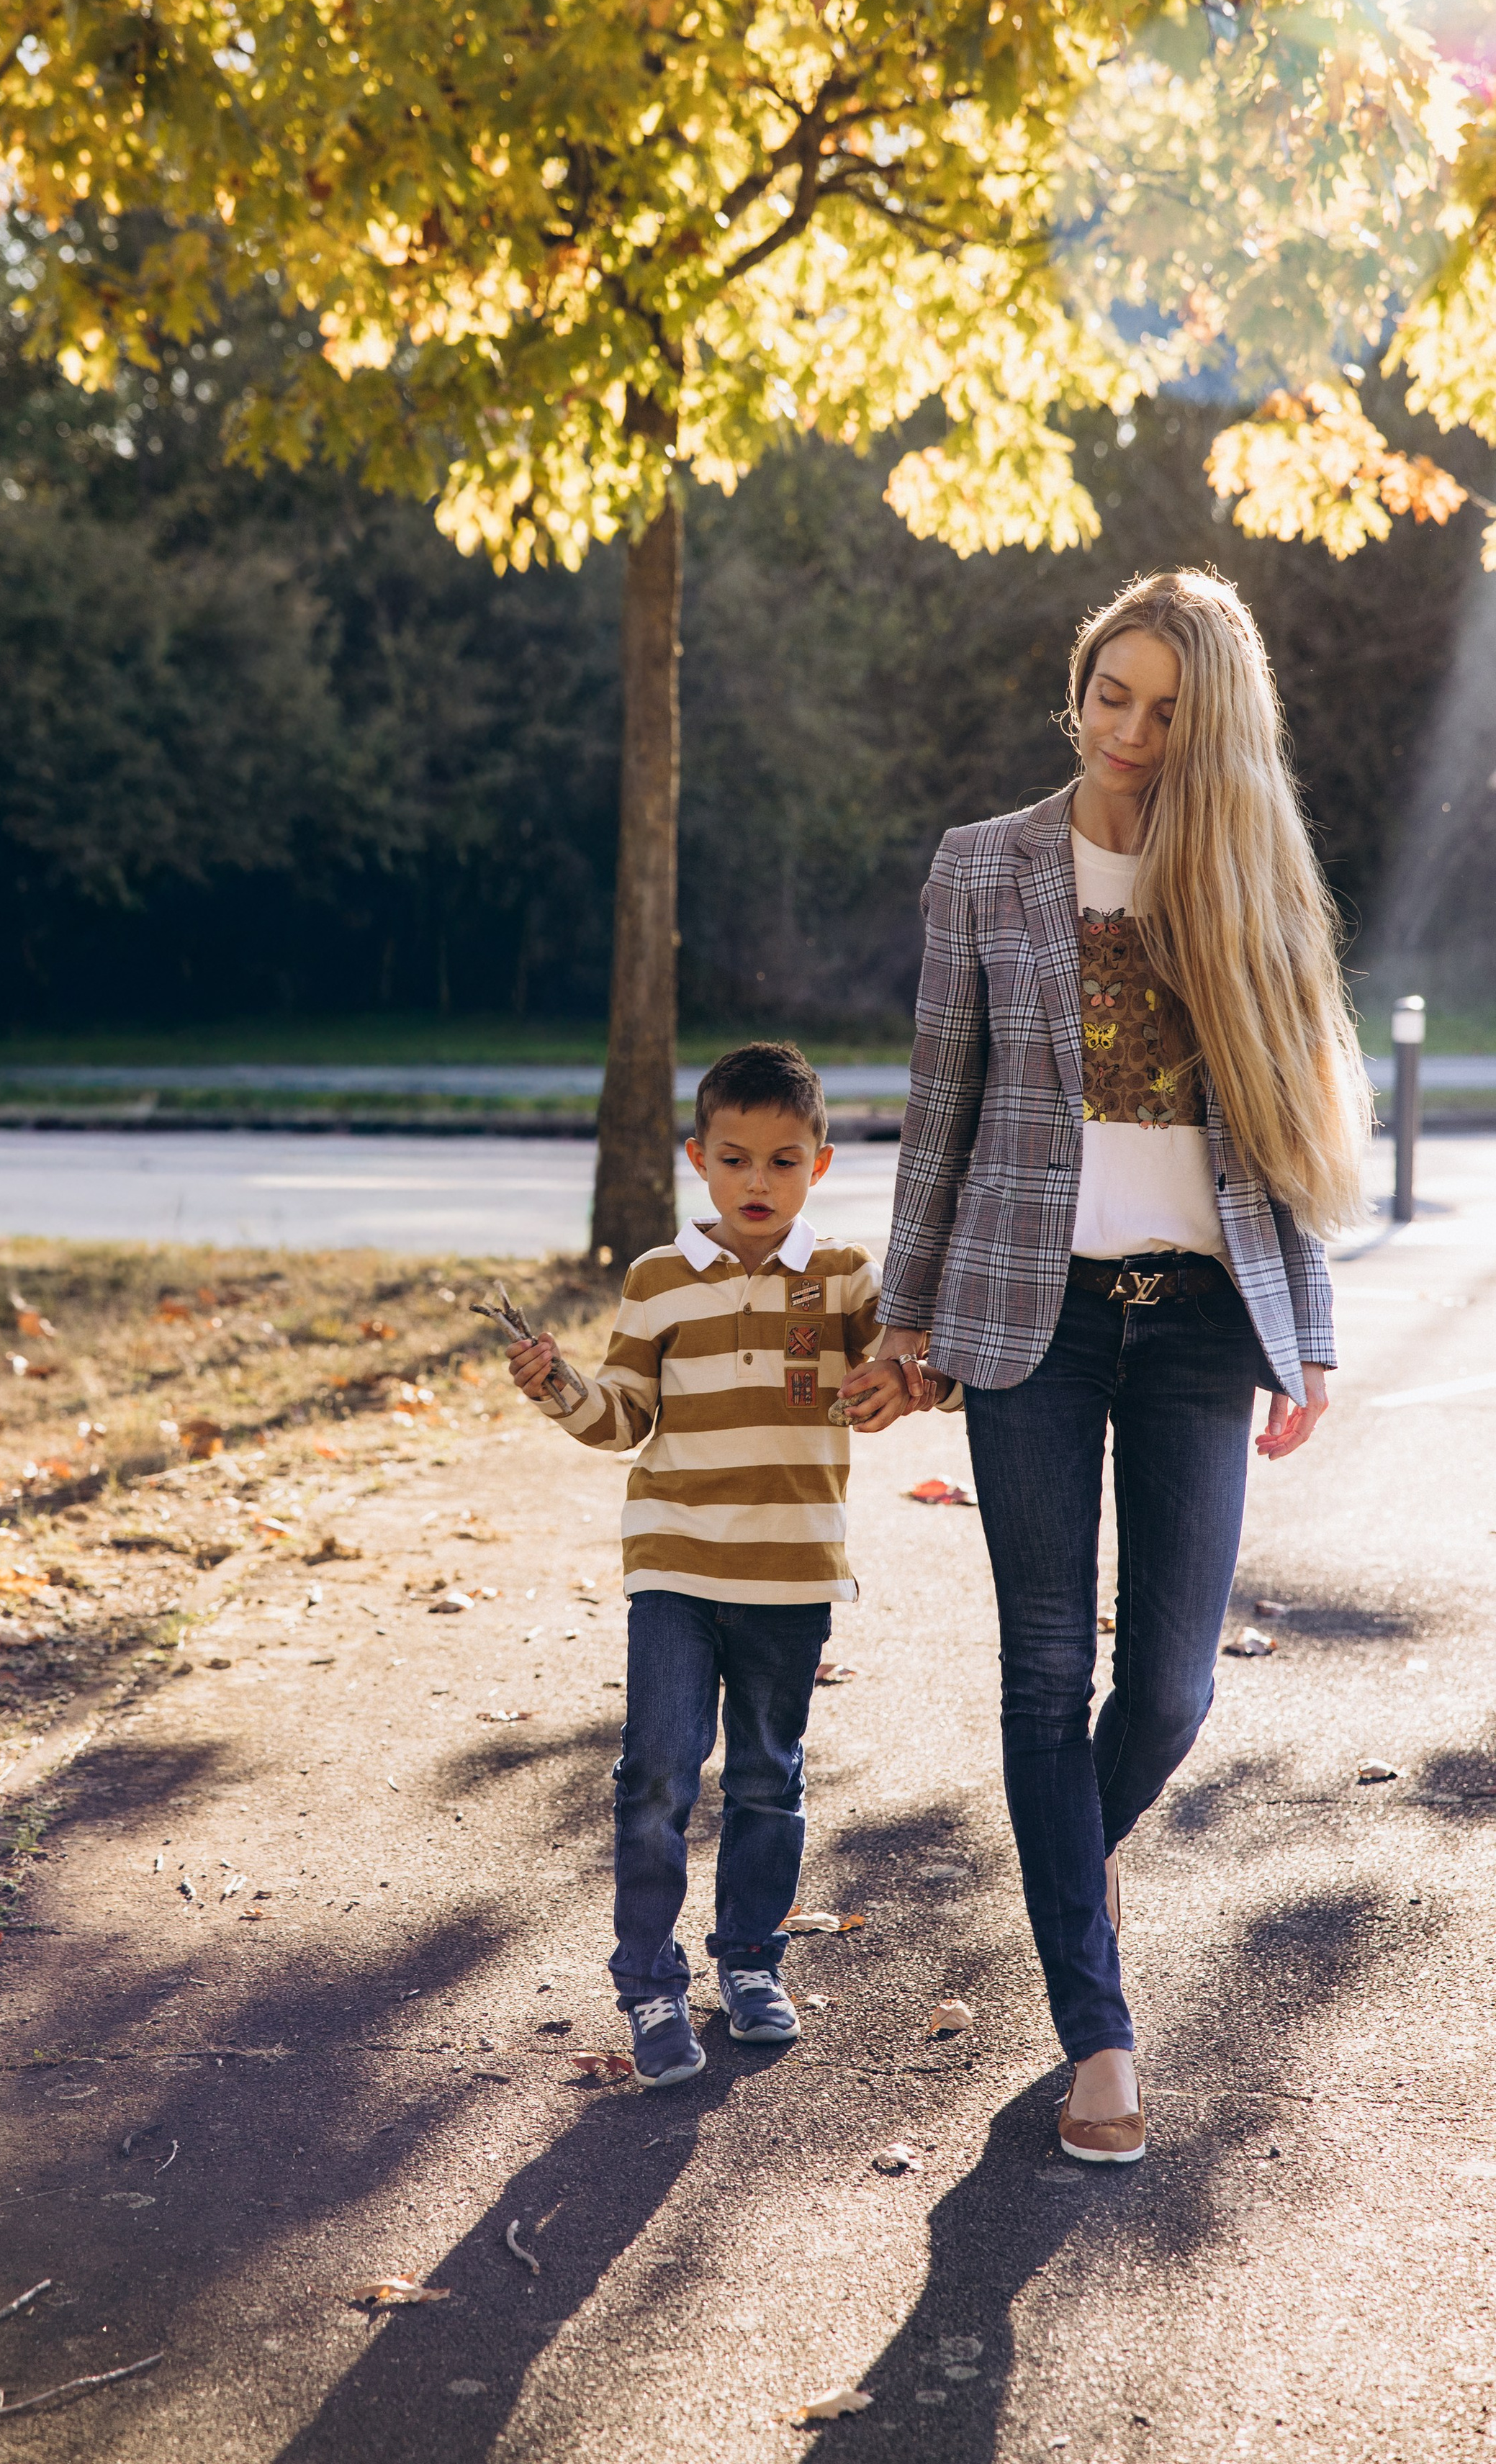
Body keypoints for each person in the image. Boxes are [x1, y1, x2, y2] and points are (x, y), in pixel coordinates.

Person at [842, 571, 1370, 2163]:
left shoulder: (1245, 864)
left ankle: (1071, 1850)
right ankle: (1097, 2036)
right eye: (1108, 694)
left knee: (1170, 1683)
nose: (1128, 732)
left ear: (1208, 722)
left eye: (1163, 708)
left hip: (1205, 1310)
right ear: (1073, 687)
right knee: (1037, 1668)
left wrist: (1311, 1330)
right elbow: (940, 1111)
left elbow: (1285, 1118)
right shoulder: (981, 868)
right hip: (1034, 1314)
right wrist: (903, 1317)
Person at [505, 1041, 884, 2087]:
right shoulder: (659, 1279)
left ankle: (751, 1963)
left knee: (769, 1776)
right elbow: (622, 1419)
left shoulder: (848, 1277)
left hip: (793, 1573)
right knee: (659, 1771)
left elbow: (897, 1385)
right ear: (697, 1160)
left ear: (821, 1165)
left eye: (783, 1161)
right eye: (734, 1159)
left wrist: (923, 1368)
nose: (757, 1182)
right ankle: (649, 1982)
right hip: (675, 1563)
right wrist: (557, 1385)